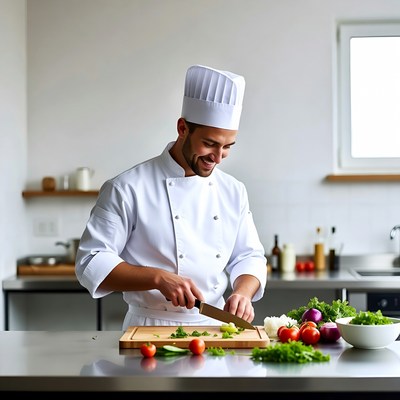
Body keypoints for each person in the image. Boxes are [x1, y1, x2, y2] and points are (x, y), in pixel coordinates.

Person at [75, 64, 267, 330]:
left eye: (227, 147)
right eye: (210, 143)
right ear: (182, 128)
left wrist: (243, 293)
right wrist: (157, 278)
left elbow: (249, 256)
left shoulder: (233, 190)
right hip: (148, 327)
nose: (218, 157)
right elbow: (90, 261)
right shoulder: (127, 187)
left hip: (216, 328)